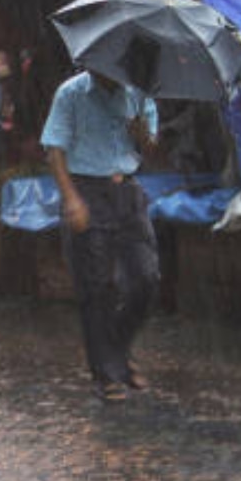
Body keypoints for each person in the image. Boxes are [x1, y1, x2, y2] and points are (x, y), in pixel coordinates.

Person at [40, 48, 161, 403]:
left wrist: (142, 135)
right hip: (86, 189)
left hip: (128, 190)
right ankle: (106, 372)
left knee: (146, 277)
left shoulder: (138, 94)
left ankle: (118, 350)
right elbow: (54, 150)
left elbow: (150, 150)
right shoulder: (71, 93)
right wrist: (71, 198)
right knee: (97, 287)